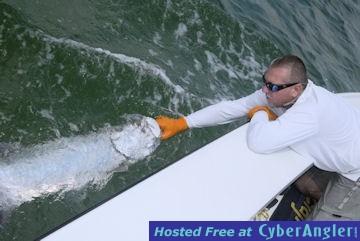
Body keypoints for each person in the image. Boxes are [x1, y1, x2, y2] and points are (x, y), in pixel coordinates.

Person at [156, 55, 360, 220]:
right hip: (345, 146)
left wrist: (261, 113)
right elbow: (234, 107)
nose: (264, 90)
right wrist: (183, 123)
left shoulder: (310, 112)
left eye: (272, 86)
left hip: (355, 170)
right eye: (265, 82)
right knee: (304, 185)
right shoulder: (282, 93)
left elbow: (259, 142)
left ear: (295, 89)